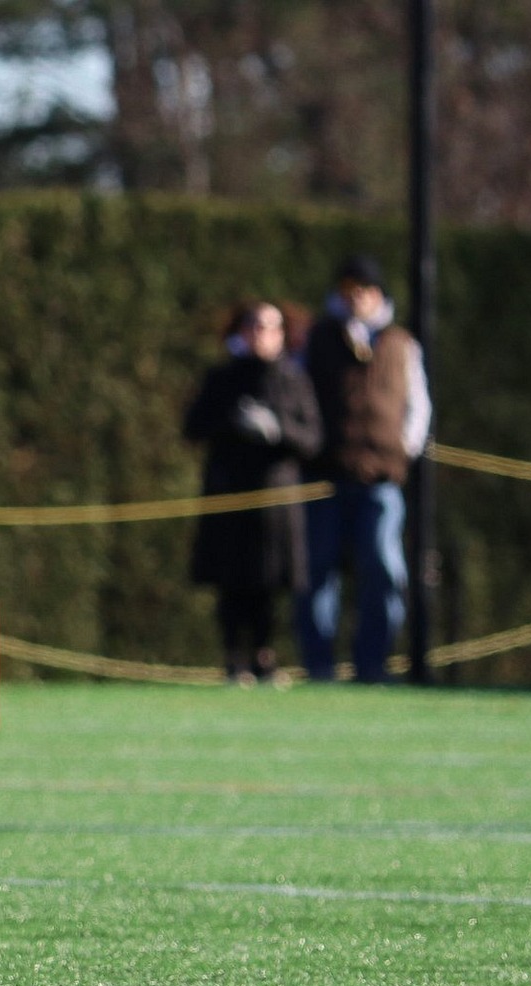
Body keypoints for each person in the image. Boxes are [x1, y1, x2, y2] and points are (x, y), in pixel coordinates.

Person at [294, 255, 431, 683]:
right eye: (348, 288)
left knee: (383, 568)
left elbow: (419, 406)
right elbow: (299, 397)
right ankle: (319, 666)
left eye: (363, 290)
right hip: (326, 476)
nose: (355, 297)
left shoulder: (402, 343)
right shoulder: (318, 338)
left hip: (381, 479)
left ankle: (373, 664)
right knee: (317, 570)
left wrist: (401, 449)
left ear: (378, 295)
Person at [183, 302, 322, 686]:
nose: (262, 334)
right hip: (229, 495)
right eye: (255, 326)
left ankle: (265, 657)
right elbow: (193, 427)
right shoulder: (222, 379)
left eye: (270, 327)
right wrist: (232, 422)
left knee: (269, 584)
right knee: (232, 581)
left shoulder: (293, 380)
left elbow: (312, 439)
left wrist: (278, 431)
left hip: (276, 501)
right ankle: (233, 658)